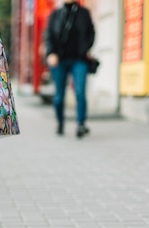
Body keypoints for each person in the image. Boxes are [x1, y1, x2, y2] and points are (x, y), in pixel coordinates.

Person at [44, 0, 95, 139]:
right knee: (59, 96)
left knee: (80, 92)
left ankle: (81, 124)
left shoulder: (84, 13)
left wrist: (85, 49)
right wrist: (51, 53)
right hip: (59, 60)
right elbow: (48, 36)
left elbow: (91, 33)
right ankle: (60, 123)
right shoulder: (55, 14)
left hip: (79, 60)